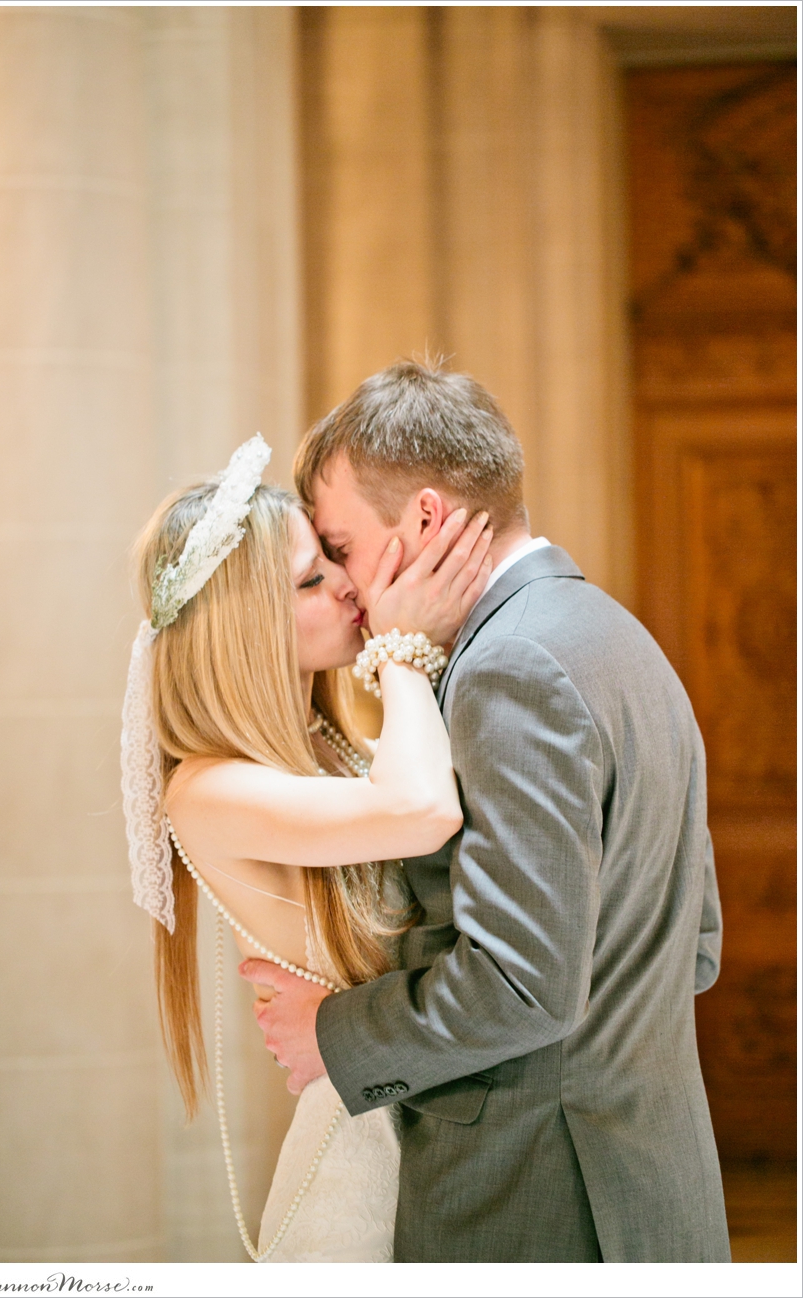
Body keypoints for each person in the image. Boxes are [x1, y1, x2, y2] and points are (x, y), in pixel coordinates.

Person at [240, 360, 732, 1263]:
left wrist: (333, 1038)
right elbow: (693, 944)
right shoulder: (616, 634)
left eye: (341, 548)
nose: (345, 587)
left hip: (538, 1197)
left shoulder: (509, 668)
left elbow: (522, 985)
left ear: (424, 519)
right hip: (649, 1185)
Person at [119, 433, 493, 1263]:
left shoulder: (326, 740)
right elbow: (424, 809)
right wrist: (402, 644)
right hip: (359, 1158)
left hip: (421, 1115)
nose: (349, 590)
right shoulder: (207, 789)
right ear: (247, 623)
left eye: (332, 562)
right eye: (310, 580)